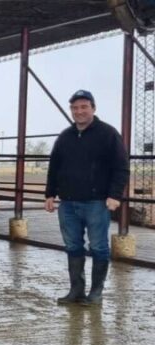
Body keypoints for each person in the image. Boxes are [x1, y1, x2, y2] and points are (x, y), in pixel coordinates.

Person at [45, 89, 129, 306]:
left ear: (93, 108)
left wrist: (114, 195)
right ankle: (76, 290)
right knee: (72, 245)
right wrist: (50, 193)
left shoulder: (108, 134)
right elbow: (54, 166)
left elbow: (121, 167)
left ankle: (96, 293)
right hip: (68, 203)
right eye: (75, 108)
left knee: (99, 246)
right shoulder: (65, 137)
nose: (79, 111)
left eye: (84, 107)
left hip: (97, 202)